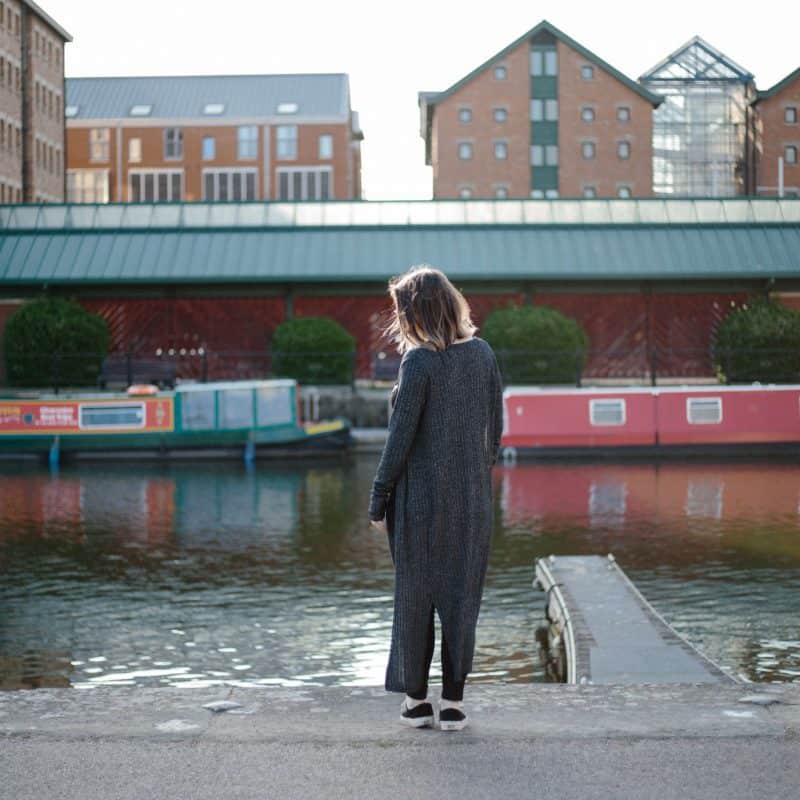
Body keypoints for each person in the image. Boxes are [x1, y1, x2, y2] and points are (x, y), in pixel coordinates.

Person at [368, 264, 505, 732]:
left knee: (416, 598)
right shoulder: (483, 354)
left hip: (418, 502)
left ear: (414, 314)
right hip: (471, 501)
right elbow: (495, 433)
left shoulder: (419, 361)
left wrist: (378, 498)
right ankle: (454, 703)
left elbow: (399, 439)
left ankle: (416, 702)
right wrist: (470, 478)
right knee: (461, 598)